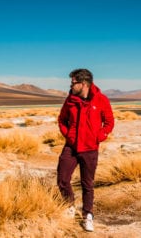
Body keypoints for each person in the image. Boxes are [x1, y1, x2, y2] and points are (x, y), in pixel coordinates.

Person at [57, 68, 114, 232]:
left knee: (87, 184)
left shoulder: (101, 100)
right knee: (62, 178)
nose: (70, 85)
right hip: (71, 147)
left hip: (90, 148)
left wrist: (99, 137)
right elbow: (62, 119)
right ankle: (69, 206)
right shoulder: (70, 100)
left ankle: (88, 215)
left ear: (83, 84)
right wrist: (69, 135)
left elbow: (109, 122)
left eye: (73, 82)